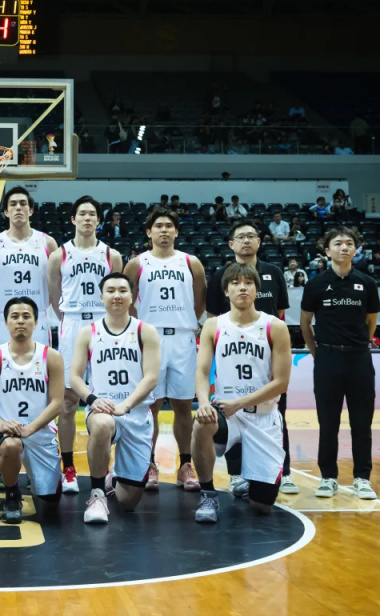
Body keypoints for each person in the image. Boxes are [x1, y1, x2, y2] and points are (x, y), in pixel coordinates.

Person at [191, 263, 292, 523]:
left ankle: (254, 481)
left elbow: (281, 383)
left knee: (261, 506)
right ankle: (208, 493)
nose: (242, 288)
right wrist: (203, 402)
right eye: (235, 283)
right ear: (226, 291)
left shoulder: (275, 326)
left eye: (248, 282)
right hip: (227, 414)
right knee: (201, 423)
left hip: (263, 415)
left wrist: (240, 402)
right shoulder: (213, 325)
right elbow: (202, 371)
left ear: (257, 289)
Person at [204, 219, 296, 494]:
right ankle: (236, 474)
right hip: (232, 354)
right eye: (241, 237)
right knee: (229, 412)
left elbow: (280, 312)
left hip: (265, 353)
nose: (246, 241)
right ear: (231, 244)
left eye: (251, 236)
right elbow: (212, 317)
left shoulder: (274, 272)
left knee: (276, 413)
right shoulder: (220, 275)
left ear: (259, 242)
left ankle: (283, 471)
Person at [123, 207, 205, 492]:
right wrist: (144, 330)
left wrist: (183, 322)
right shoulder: (137, 264)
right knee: (151, 405)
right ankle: (149, 464)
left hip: (182, 339)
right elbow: (127, 302)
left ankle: (185, 465)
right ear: (149, 232)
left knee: (183, 405)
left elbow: (199, 302)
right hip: (151, 339)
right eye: (158, 226)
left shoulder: (191, 262)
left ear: (177, 231)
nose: (164, 230)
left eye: (169, 226)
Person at [70, 273, 161, 524]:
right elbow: (75, 377)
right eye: (110, 291)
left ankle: (114, 477)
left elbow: (151, 377)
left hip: (136, 414)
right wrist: (92, 399)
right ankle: (97, 494)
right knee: (101, 424)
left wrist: (126, 405)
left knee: (127, 502)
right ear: (101, 297)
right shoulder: (88, 332)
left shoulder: (146, 331)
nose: (117, 295)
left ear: (132, 297)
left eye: (122, 290)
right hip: (103, 410)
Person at [47, 196, 123, 493]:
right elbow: (55, 295)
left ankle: (107, 469)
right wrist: (69, 320)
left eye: (92, 214)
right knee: (68, 401)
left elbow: (117, 292)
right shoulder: (59, 255)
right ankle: (68, 467)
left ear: (99, 220)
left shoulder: (112, 255)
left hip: (104, 325)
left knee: (107, 399)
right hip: (73, 323)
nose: (87, 218)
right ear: (73, 219)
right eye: (82, 214)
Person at [300, 226, 380, 500]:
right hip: (327, 359)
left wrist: (360, 344)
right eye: (338, 243)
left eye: (349, 243)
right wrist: (317, 352)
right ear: (327, 250)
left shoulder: (367, 283)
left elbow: (371, 321)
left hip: (359, 359)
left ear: (356, 250)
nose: (344, 247)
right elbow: (305, 322)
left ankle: (362, 478)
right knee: (328, 423)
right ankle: (328, 477)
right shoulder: (315, 284)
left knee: (362, 423)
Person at [0, 297, 65, 523]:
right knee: (11, 445)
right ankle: (12, 494)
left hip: (40, 431)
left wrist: (30, 429)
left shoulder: (51, 357)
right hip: (4, 430)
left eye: (26, 317)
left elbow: (57, 402)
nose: (20, 321)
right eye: (14, 317)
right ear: (6, 322)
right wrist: (1, 424)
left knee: (50, 499)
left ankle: (30, 474)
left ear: (36, 323)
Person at [0, 186, 58, 349]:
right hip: (2, 318)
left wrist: (41, 304)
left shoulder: (47, 243)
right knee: (0, 365)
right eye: (13, 204)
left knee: (39, 364)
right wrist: (1, 303)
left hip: (36, 317)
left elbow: (55, 284)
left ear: (31, 210)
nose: (18, 207)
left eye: (23, 203)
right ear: (6, 212)